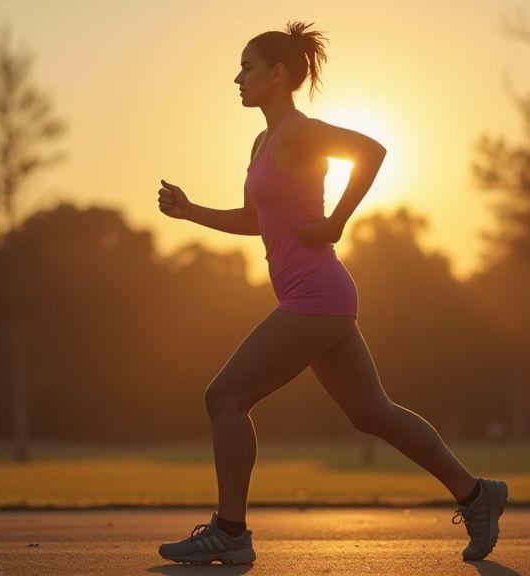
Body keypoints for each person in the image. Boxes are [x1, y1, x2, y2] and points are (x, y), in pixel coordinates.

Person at [155, 20, 508, 565]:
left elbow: (372, 150)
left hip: (315, 297)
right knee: (372, 412)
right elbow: (258, 219)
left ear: (278, 74)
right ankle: (476, 494)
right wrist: (191, 210)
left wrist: (337, 221)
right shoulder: (264, 141)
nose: (237, 78)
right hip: (319, 298)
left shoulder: (297, 131)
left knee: (224, 397)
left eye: (247, 67)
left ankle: (230, 531)